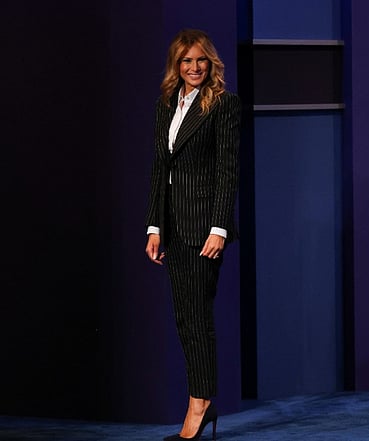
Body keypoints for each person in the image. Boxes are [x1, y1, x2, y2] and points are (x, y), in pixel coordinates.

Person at [144, 29, 240, 441]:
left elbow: (228, 170)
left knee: (198, 317)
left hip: (204, 228)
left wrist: (219, 227)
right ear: (176, 66)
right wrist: (154, 226)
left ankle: (199, 406)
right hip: (173, 228)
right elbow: (159, 170)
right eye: (186, 61)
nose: (194, 68)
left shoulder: (223, 104)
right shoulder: (166, 103)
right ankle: (201, 401)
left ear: (211, 62)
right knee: (185, 318)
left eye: (201, 60)